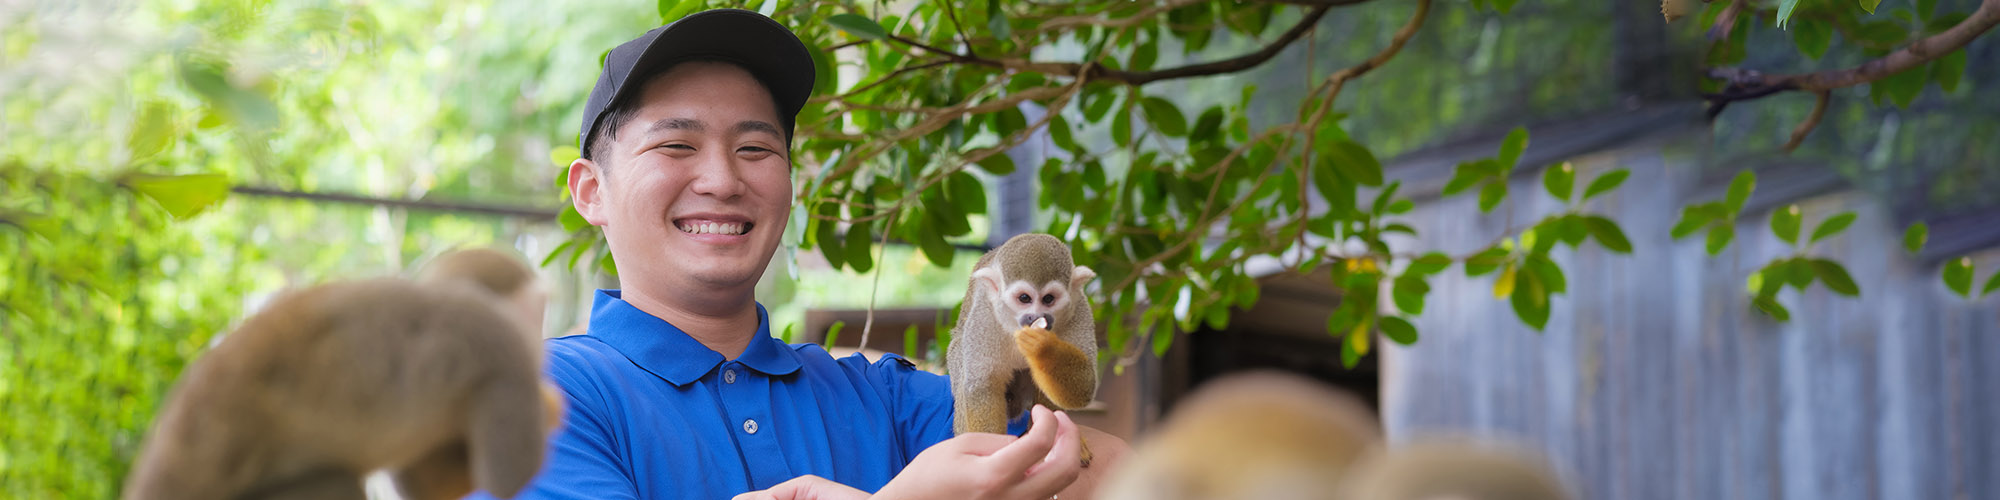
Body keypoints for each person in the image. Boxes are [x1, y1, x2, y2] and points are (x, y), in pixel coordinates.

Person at [476, 9, 1126, 500]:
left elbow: (1127, 473)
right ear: (591, 191)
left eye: (755, 149)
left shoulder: (882, 397)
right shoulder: (532, 395)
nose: (723, 180)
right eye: (676, 146)